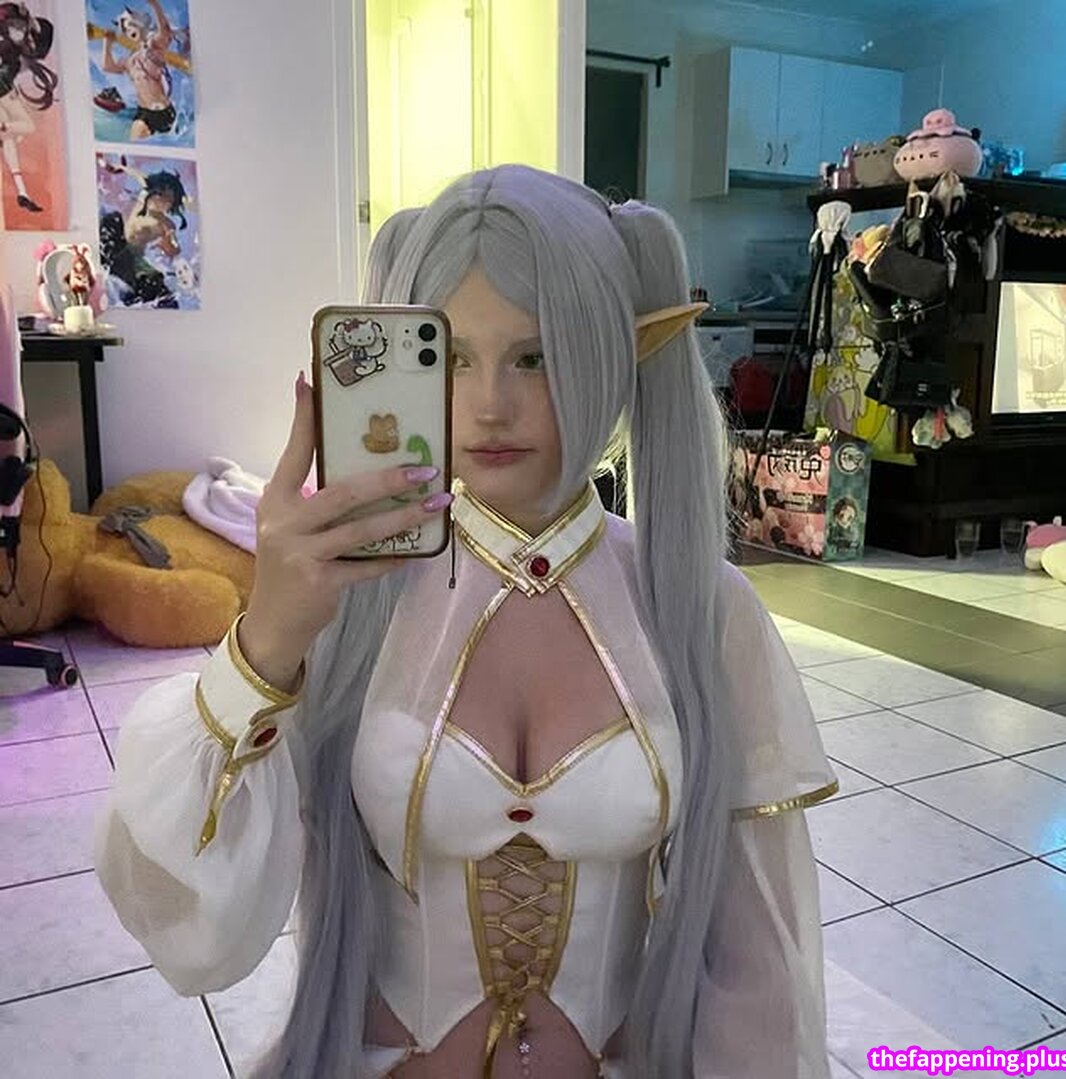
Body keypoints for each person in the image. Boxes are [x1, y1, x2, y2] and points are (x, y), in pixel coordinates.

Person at [95, 165, 837, 1078]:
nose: (489, 405)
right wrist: (267, 642)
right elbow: (180, 915)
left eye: (536, 356)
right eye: (447, 357)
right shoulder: (347, 596)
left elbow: (759, 967)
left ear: (615, 355)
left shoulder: (702, 606)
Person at [98, 159, 188, 307]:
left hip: (131, 257)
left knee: (154, 287)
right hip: (118, 239)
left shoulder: (163, 223)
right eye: (162, 196)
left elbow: (174, 248)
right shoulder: (145, 197)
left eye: (169, 201)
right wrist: (120, 167)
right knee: (111, 219)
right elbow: (139, 176)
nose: (164, 203)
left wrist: (169, 245)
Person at [0, 2, 57, 214]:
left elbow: (41, 34)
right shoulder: (8, 45)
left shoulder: (19, 47)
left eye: (20, 26)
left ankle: (22, 192)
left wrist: (28, 20)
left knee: (10, 136)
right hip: (4, 91)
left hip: (5, 91)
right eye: (13, 26)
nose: (18, 30)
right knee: (24, 128)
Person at [101, 1, 176, 140]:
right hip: (143, 113)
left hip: (163, 113)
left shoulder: (154, 47)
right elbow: (108, 66)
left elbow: (165, 31)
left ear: (140, 24)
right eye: (125, 29)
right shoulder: (130, 61)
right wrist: (107, 44)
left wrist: (155, 6)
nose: (128, 30)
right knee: (135, 140)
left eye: (130, 25)